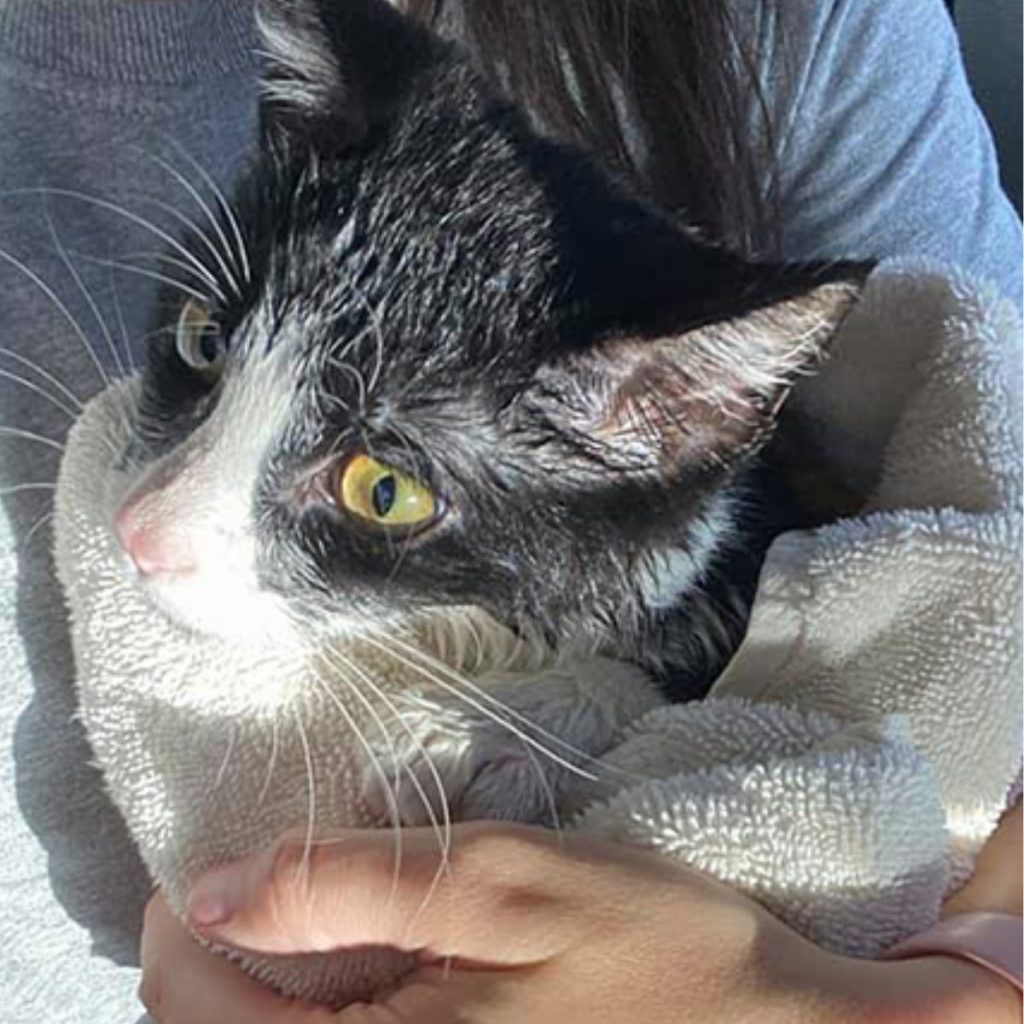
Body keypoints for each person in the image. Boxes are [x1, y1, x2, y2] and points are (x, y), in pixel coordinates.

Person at [0, 1, 1018, 1022]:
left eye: (378, 490)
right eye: (208, 347)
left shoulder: (799, 34)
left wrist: (968, 986)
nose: (147, 528)